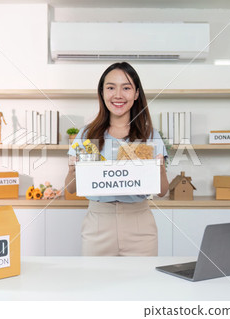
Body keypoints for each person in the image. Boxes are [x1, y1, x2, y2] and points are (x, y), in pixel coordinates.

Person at [65, 62, 169, 256]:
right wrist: (73, 170)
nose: (118, 95)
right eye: (111, 87)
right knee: (96, 284)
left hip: (140, 225)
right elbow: (70, 188)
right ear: (102, 93)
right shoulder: (87, 135)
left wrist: (159, 168)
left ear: (136, 93)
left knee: (142, 285)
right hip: (98, 223)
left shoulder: (150, 135)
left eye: (126, 88)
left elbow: (162, 191)